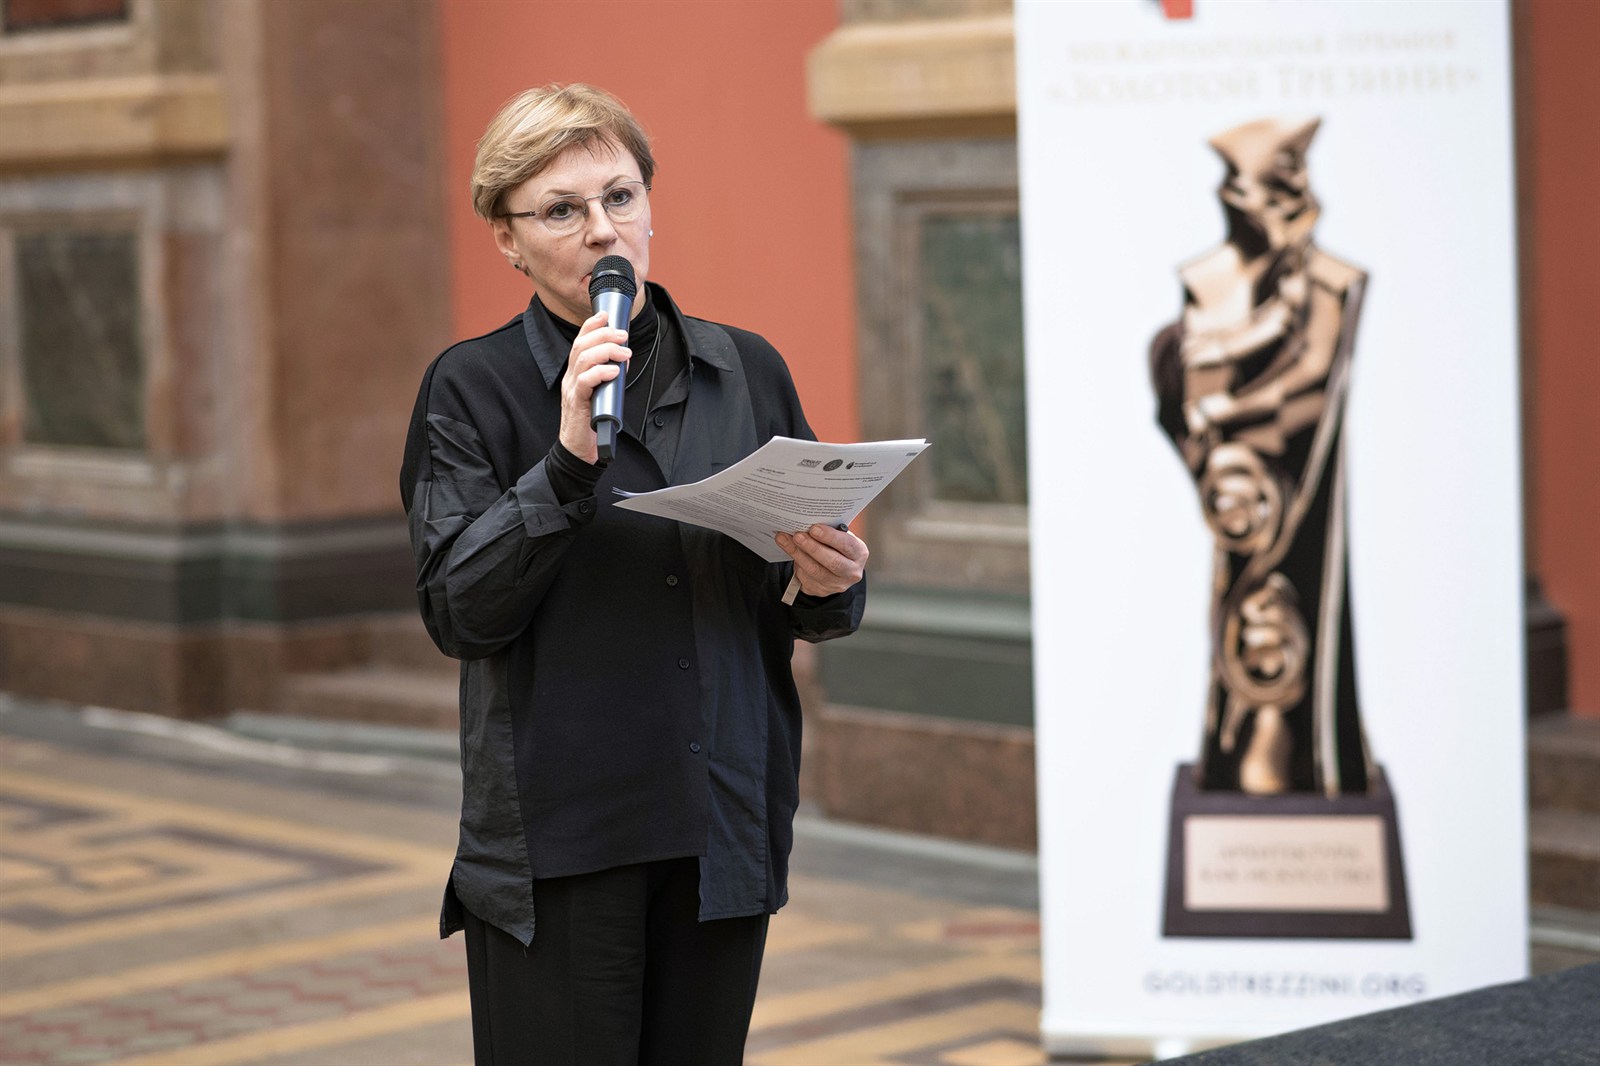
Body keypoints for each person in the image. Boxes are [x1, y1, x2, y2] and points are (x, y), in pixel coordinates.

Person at [399, 83, 868, 1065]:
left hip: (720, 819)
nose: (601, 230)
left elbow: (797, 596)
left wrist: (827, 584)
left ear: (650, 205)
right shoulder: (470, 388)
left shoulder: (746, 370)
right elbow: (459, 612)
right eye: (560, 210)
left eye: (619, 196)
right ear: (507, 240)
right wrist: (567, 464)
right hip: (562, 837)